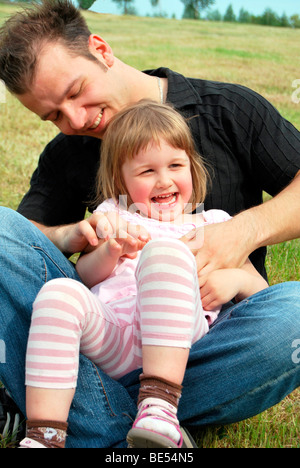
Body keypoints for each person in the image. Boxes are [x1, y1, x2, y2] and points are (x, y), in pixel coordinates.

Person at [0, 0, 299, 448]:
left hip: (209, 343)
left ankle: (101, 416)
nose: (76, 120)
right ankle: (145, 428)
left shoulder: (230, 110)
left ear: (100, 49)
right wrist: (74, 235)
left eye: (76, 91)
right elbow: (22, 244)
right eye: (55, 115)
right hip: (104, 336)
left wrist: (242, 232)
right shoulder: (67, 153)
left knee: (294, 310)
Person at [21, 101, 268, 449]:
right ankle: (43, 436)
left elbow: (265, 296)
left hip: (179, 342)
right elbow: (85, 276)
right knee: (58, 293)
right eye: (146, 171)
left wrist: (237, 280)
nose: (164, 179)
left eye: (175, 165)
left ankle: (160, 409)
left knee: (164, 253)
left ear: (193, 169)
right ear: (120, 179)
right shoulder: (114, 215)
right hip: (115, 339)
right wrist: (110, 250)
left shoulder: (212, 224)